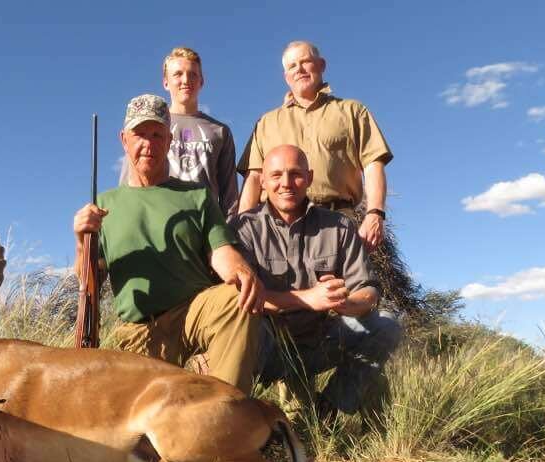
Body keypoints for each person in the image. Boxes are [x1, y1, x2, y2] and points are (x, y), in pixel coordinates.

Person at [74, 94, 263, 392]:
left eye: (157, 134)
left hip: (192, 315)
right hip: (139, 331)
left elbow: (222, 253)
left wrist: (241, 272)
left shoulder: (196, 195)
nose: (148, 143)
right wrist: (82, 241)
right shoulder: (104, 205)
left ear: (169, 139)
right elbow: (91, 279)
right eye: (139, 134)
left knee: (234, 299)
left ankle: (226, 415)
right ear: (124, 140)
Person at [232, 144, 401, 424]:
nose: (286, 183)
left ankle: (329, 409)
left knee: (386, 325)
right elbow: (243, 297)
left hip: (320, 340)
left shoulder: (338, 226)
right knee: (240, 333)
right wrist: (309, 298)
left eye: (295, 174)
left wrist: (348, 304)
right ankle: (242, 423)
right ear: (262, 180)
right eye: (276, 175)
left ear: (309, 178)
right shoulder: (242, 228)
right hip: (267, 346)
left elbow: (369, 290)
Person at [237, 40, 392, 252]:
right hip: (277, 228)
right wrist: (241, 227)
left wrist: (375, 213)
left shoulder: (353, 111)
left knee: (339, 286)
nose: (299, 69)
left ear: (321, 65)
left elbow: (373, 164)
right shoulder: (266, 122)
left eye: (306, 62)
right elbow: (254, 178)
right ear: (285, 76)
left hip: (337, 225)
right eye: (292, 66)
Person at [119, 47, 240, 217]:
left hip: (206, 227)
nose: (186, 80)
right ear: (166, 82)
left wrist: (228, 231)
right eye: (178, 74)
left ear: (201, 81)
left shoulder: (220, 131)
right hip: (159, 222)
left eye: (192, 74)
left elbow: (230, 196)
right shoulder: (147, 126)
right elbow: (129, 181)